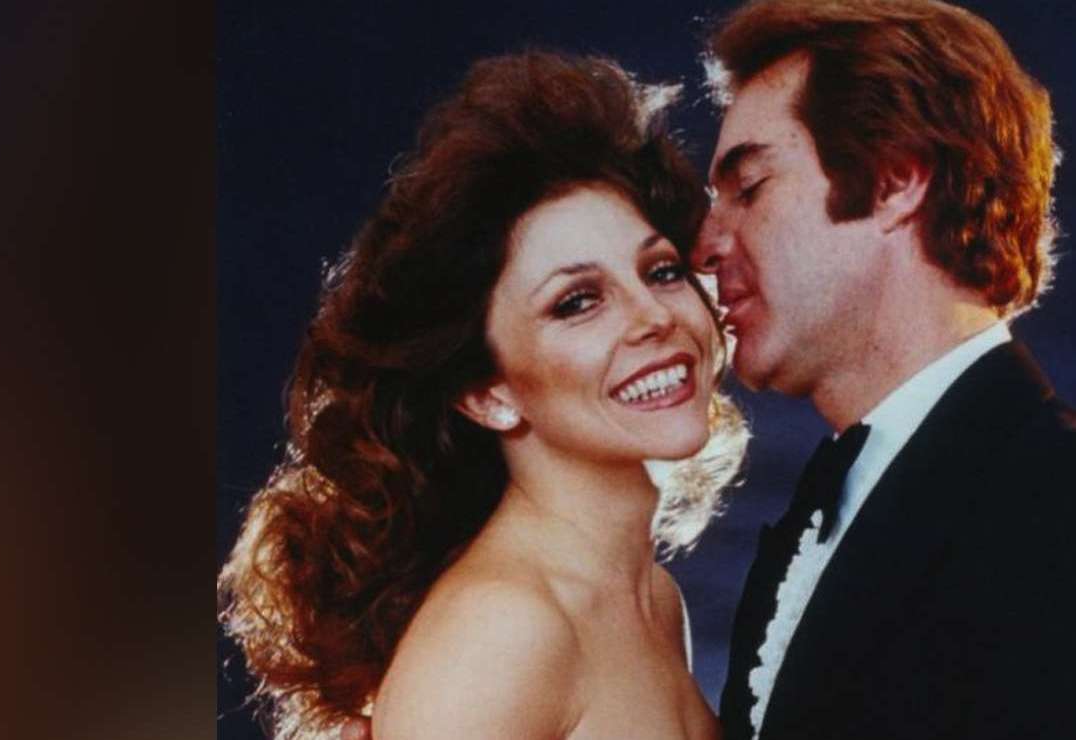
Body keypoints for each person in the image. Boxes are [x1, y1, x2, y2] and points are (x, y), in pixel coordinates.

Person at [219, 51, 748, 738]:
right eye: (577, 302)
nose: (653, 316)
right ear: (486, 392)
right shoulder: (504, 632)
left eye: (662, 270)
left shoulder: (651, 597)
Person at [692, 1, 1076, 738]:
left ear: (897, 180)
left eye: (749, 188)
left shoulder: (1056, 507)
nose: (704, 245)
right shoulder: (819, 511)